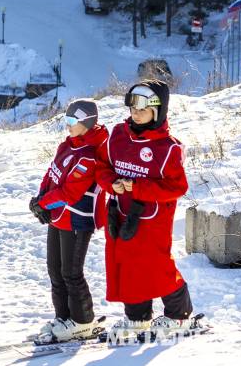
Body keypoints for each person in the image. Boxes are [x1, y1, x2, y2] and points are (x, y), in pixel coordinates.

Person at [95, 80, 197, 341]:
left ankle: (179, 314)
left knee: (155, 265)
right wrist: (111, 183)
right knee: (126, 265)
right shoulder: (117, 135)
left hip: (152, 220)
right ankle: (138, 316)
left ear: (158, 110)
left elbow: (177, 186)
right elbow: (102, 167)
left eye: (142, 107)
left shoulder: (168, 148)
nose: (135, 113)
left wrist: (138, 188)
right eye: (132, 106)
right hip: (120, 214)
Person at [28, 100, 108, 343]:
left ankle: (83, 321)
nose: (68, 125)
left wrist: (44, 204)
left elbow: (70, 193)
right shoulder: (68, 145)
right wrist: (40, 197)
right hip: (58, 218)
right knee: (55, 270)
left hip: (76, 219)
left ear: (86, 123)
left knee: (71, 273)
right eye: (68, 120)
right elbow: (51, 173)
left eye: (73, 121)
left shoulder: (89, 155)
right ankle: (64, 317)